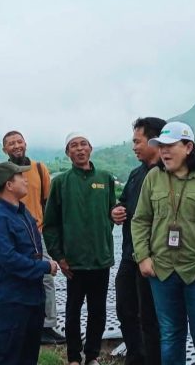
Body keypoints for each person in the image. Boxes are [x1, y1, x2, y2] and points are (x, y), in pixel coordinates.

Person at [132, 121, 195, 365]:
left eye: (170, 146)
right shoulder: (154, 178)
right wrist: (143, 257)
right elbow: (140, 220)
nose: (164, 151)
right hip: (163, 271)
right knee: (170, 336)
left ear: (188, 147)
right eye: (161, 146)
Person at [0, 131, 65, 344]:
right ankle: (16, 323)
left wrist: (50, 232)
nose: (16, 146)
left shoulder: (39, 169)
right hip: (10, 232)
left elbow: (48, 202)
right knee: (16, 273)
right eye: (11, 143)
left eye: (19, 141)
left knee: (44, 279)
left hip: (36, 232)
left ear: (26, 144)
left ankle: (46, 325)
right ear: (5, 149)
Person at [43, 132, 116, 365]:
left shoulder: (105, 178)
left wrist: (103, 234)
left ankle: (92, 355)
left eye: (83, 144)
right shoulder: (60, 182)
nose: (79, 149)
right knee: (73, 310)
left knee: (98, 311)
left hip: (100, 259)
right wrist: (59, 257)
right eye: (73, 145)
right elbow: (50, 224)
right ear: (68, 153)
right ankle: (74, 357)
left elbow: (111, 215)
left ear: (91, 148)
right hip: (73, 262)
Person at [110, 117, 165, 365]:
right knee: (125, 309)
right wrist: (116, 211)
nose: (134, 147)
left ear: (154, 141)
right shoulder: (135, 174)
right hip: (130, 254)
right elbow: (123, 202)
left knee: (151, 316)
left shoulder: (167, 173)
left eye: (137, 141)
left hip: (154, 258)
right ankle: (135, 357)